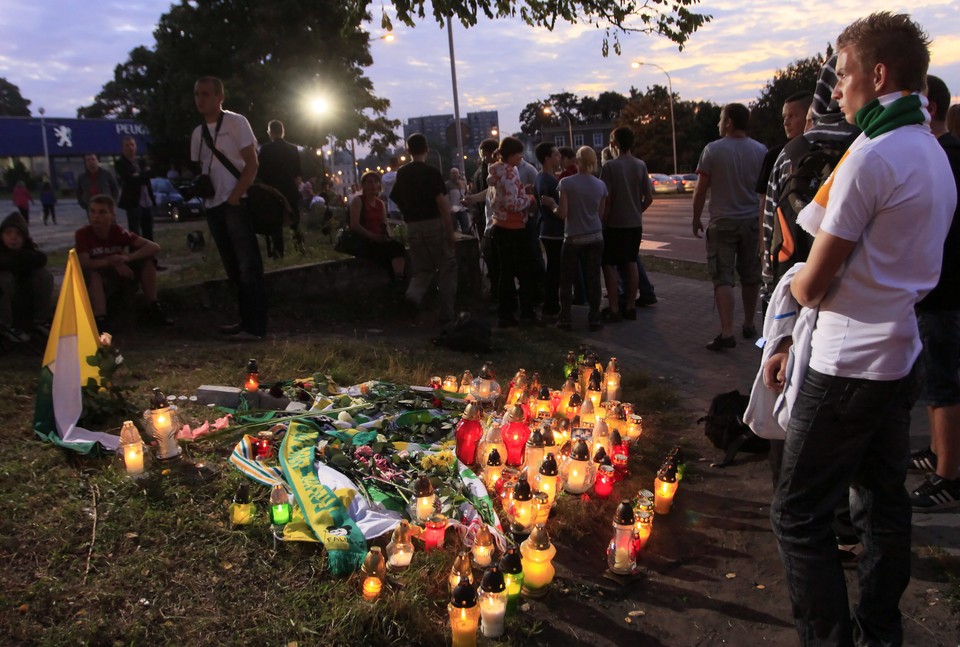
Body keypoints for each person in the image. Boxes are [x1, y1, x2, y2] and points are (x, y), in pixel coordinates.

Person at [763, 13, 954, 645]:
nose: (838, 91)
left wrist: (788, 295)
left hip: (846, 365)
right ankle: (880, 630)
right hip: (900, 353)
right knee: (882, 502)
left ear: (878, 74)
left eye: (844, 76)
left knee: (797, 514)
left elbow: (814, 282)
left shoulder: (870, 157)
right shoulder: (929, 150)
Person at [910, 74, 960, 510]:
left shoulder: (939, 157)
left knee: (944, 384)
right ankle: (936, 454)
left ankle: (949, 476)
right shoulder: (946, 153)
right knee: (935, 381)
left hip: (942, 289)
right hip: (940, 286)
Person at [190, 76, 266, 340]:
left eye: (206, 94)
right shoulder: (198, 133)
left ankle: (255, 327)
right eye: (197, 94)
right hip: (214, 206)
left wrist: (235, 196)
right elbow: (202, 170)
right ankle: (245, 321)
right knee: (233, 267)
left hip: (235, 203)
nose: (201, 99)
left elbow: (252, 164)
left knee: (248, 266)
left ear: (220, 97)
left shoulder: (236, 122)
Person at [692, 103, 767, 350]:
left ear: (730, 122)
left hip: (722, 222)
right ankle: (748, 324)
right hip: (751, 222)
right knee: (750, 277)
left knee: (723, 277)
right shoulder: (761, 151)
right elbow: (765, 191)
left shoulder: (713, 150)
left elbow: (701, 189)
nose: (718, 123)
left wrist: (696, 217)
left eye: (721, 118)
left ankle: (726, 333)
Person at [75, 195, 172, 329]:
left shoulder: (117, 231)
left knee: (147, 261)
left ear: (112, 214)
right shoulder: (83, 233)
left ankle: (153, 306)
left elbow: (153, 247)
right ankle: (100, 319)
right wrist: (111, 262)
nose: (96, 216)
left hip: (117, 274)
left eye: (102, 212)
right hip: (97, 278)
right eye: (92, 211)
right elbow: (84, 262)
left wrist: (127, 258)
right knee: (93, 275)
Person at [390, 133, 456, 325]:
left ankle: (411, 299)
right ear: (426, 149)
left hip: (413, 226)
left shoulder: (402, 173)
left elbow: (397, 198)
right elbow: (442, 204)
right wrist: (450, 231)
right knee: (446, 267)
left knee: (422, 270)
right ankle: (447, 312)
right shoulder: (432, 172)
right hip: (434, 223)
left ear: (408, 151)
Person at [757, 92, 813, 307]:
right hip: (781, 246)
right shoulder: (775, 155)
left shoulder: (820, 152)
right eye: (784, 117)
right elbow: (766, 203)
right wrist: (764, 246)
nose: (786, 122)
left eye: (793, 116)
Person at [600, 126, 654, 321]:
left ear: (614, 144)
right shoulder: (640, 165)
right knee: (631, 262)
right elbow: (648, 197)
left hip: (614, 224)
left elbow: (607, 199)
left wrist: (602, 222)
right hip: (634, 223)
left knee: (609, 264)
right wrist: (636, 210)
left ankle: (614, 307)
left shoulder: (610, 167)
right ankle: (631, 306)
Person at [555, 146, 607, 332]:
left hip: (573, 238)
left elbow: (563, 213)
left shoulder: (567, 184)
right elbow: (600, 214)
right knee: (593, 278)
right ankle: (594, 317)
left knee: (566, 280)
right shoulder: (600, 185)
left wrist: (551, 204)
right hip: (595, 237)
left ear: (576, 160)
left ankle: (566, 318)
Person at [487, 136, 537, 327]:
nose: (521, 157)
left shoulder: (496, 172)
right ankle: (526, 312)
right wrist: (529, 199)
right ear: (511, 154)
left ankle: (505, 313)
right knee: (524, 272)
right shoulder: (509, 174)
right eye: (518, 154)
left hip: (499, 225)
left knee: (505, 274)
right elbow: (511, 203)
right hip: (513, 227)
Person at [0, 211, 53, 342]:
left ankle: (40, 322)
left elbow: (41, 258)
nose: (13, 237)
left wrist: (22, 257)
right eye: (8, 233)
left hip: (25, 299)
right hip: (4, 302)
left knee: (44, 275)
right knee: (4, 278)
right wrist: (13, 260)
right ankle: (6, 327)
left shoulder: (28, 253)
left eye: (18, 234)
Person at [348, 171, 406, 282]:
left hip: (379, 239)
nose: (374, 185)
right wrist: (373, 236)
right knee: (389, 255)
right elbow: (354, 225)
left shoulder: (380, 204)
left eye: (376, 182)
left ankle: (399, 279)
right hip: (365, 240)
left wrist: (388, 236)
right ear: (363, 186)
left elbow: (384, 224)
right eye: (369, 182)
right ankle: (397, 282)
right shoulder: (358, 201)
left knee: (397, 247)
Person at [533, 142, 563, 318]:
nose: (559, 157)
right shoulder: (549, 181)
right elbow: (557, 208)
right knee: (555, 269)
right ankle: (552, 304)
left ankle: (550, 303)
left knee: (553, 267)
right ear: (547, 158)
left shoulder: (540, 177)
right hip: (554, 231)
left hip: (546, 228)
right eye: (556, 155)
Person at [116, 136, 156, 240]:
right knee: (135, 233)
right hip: (134, 202)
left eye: (132, 145)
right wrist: (143, 174)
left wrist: (139, 175)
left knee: (148, 231)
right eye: (127, 145)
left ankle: (149, 254)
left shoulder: (141, 162)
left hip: (147, 201)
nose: (130, 147)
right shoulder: (121, 163)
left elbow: (149, 176)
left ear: (136, 147)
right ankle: (136, 254)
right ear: (123, 148)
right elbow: (130, 179)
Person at [258, 120, 301, 217]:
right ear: (283, 131)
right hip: (289, 188)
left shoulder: (265, 149)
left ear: (270, 132)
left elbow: (260, 170)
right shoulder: (293, 149)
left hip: (271, 189)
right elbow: (297, 172)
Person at [446, 167, 470, 233]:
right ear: (450, 174)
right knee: (454, 229)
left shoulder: (463, 183)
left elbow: (466, 194)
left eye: (456, 173)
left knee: (466, 227)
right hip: (453, 210)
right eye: (453, 173)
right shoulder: (447, 185)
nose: (455, 174)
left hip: (462, 209)